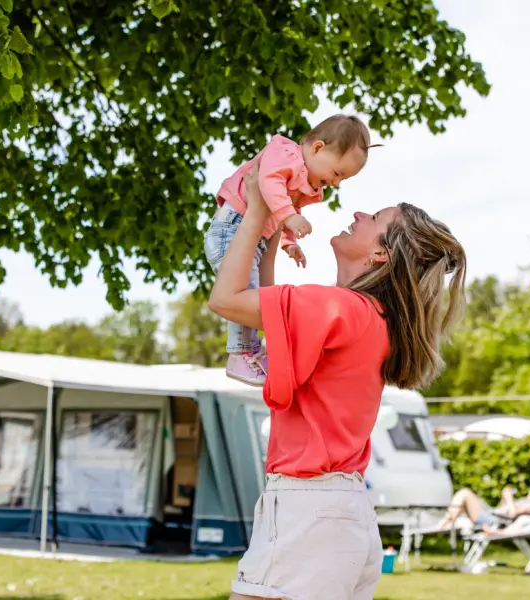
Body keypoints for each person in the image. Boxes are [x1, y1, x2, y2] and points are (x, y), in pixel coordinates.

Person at [208, 163, 466, 600]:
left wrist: (255, 210)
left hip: (309, 512)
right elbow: (268, 310)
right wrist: (273, 228)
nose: (360, 214)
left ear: (381, 254)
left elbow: (227, 299)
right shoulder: (368, 317)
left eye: (376, 218)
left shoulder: (336, 307)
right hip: (341, 514)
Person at [205, 114, 380, 386]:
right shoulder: (286, 154)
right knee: (245, 294)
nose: (335, 184)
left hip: (252, 233)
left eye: (342, 179)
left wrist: (288, 241)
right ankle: (240, 354)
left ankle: (250, 349)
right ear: (317, 148)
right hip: (231, 228)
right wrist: (289, 217)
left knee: (257, 295)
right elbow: (269, 183)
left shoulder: (301, 177)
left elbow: (284, 209)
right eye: (337, 173)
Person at [435, 480, 530, 533]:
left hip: (494, 522)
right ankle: (447, 522)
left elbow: (512, 514)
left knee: (465, 493)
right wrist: (504, 498)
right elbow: (502, 509)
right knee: (465, 496)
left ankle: (445, 523)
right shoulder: (523, 500)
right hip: (493, 514)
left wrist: (509, 498)